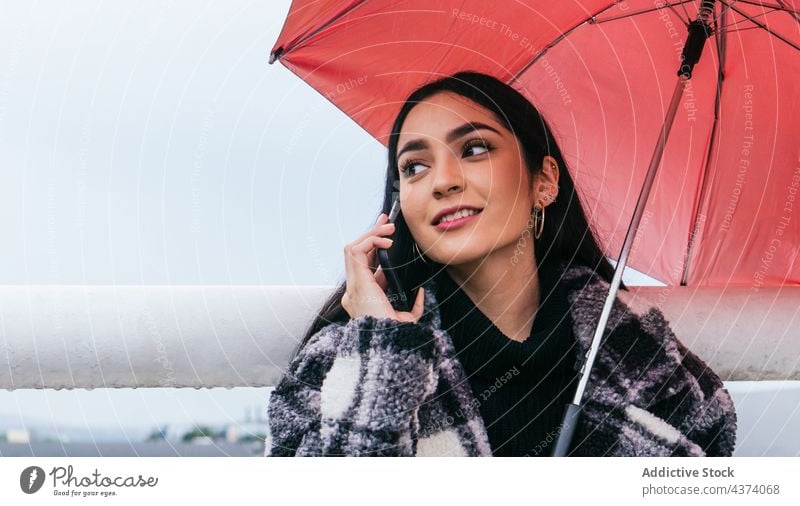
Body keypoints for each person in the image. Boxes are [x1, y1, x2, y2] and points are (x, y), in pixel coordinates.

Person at [265, 71, 737, 457]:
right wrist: (383, 358)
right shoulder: (345, 358)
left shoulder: (645, 358)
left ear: (544, 181)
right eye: (414, 167)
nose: (443, 182)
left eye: (473, 150)